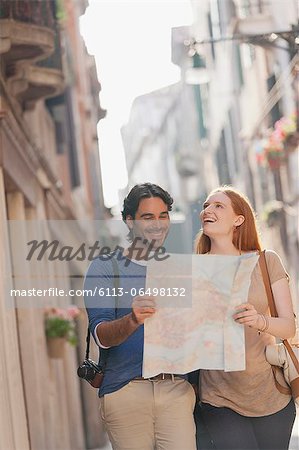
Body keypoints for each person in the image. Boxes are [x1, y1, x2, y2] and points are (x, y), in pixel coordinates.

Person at [84, 183, 196, 450]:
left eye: (163, 215)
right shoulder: (104, 267)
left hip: (175, 389)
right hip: (125, 390)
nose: (157, 224)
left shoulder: (183, 270)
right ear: (129, 221)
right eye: (148, 217)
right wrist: (132, 319)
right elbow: (100, 336)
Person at [194, 185, 296, 450]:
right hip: (219, 397)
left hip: (272, 394)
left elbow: (288, 326)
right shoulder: (193, 270)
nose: (208, 210)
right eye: (206, 205)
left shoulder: (266, 261)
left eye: (218, 206)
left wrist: (259, 321)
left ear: (239, 219)